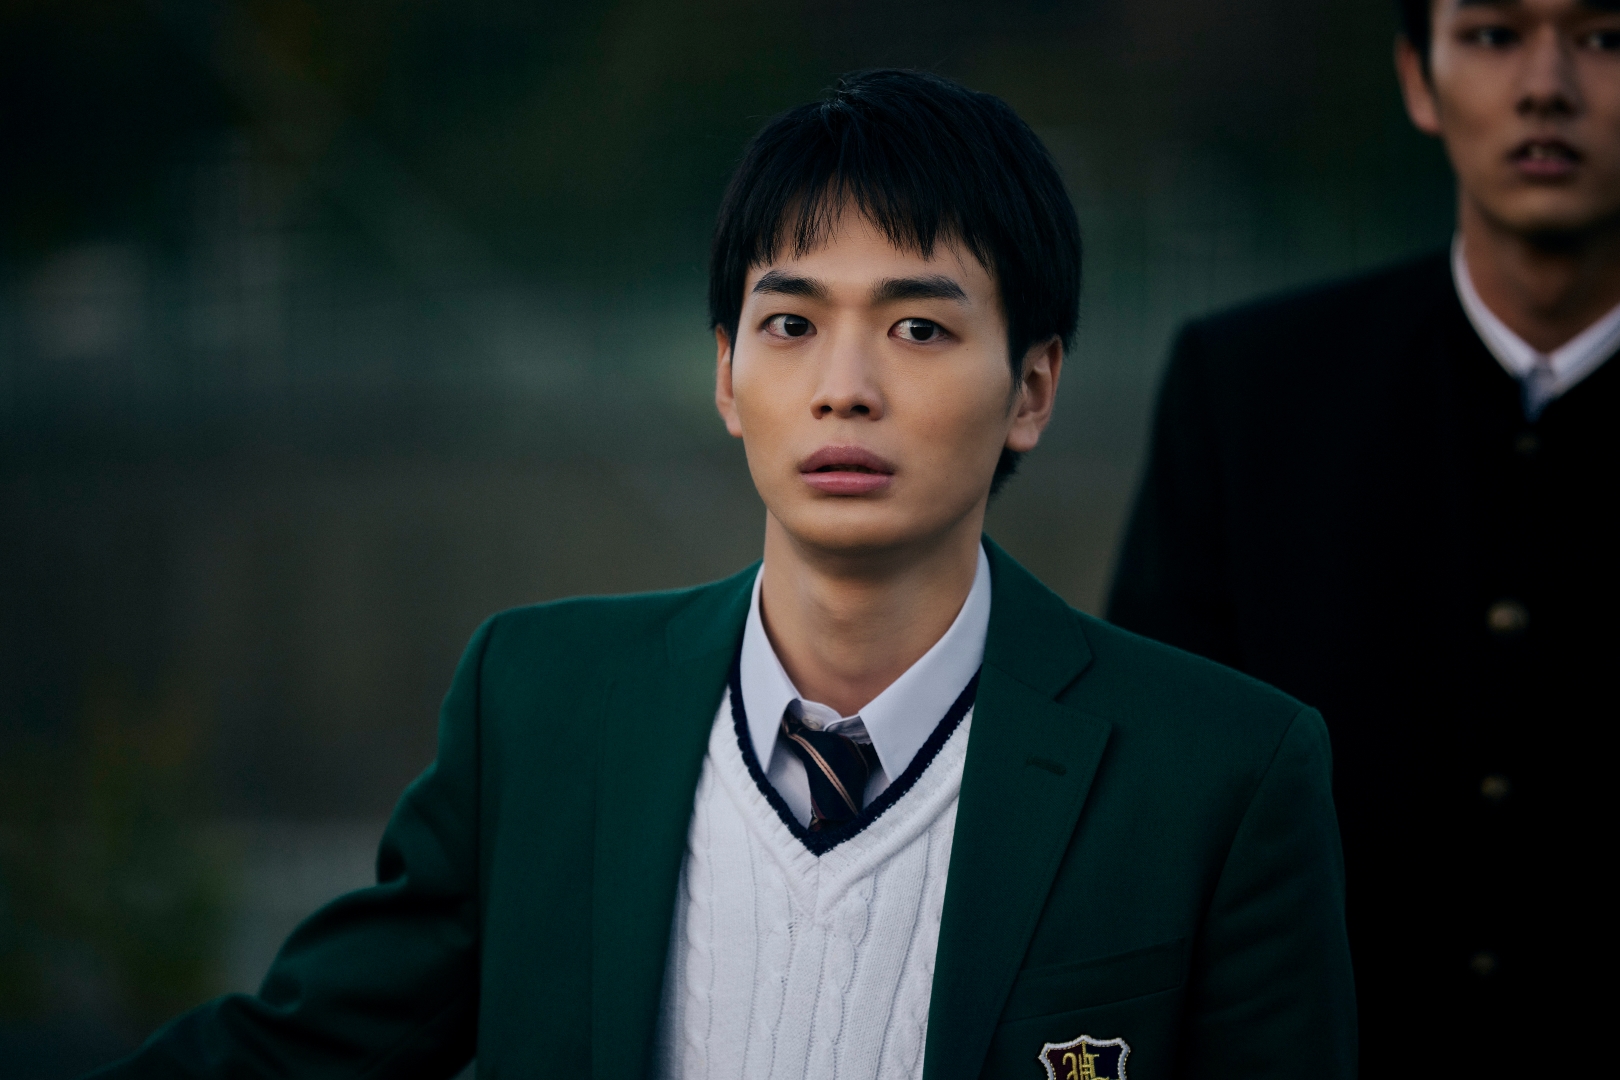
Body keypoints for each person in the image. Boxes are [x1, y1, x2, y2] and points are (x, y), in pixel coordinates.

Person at [92, 70, 1354, 1080]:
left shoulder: (1220, 775)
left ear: (1032, 388)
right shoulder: (540, 708)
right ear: (726, 376)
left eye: (918, 327)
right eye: (790, 324)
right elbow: (299, 1051)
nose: (844, 386)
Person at [1108, 0, 1619, 1070]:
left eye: (1604, 38)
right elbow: (1151, 825)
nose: (1546, 88)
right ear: (1418, 78)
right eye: (1493, 35)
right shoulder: (1247, 393)